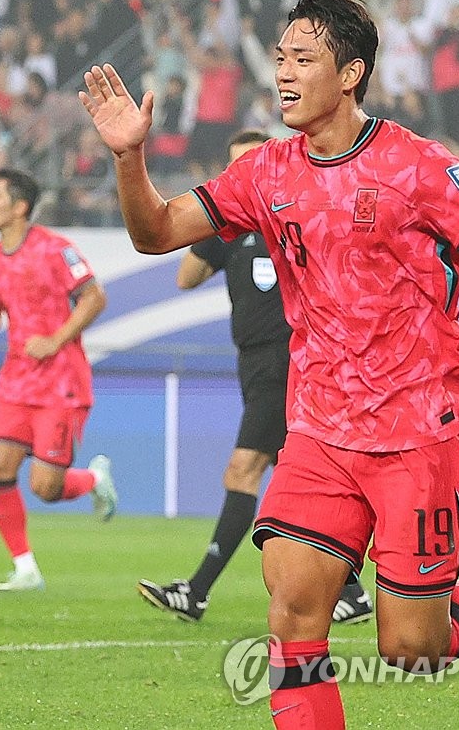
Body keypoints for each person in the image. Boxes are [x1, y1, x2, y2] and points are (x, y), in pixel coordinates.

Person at [81, 0, 459, 729]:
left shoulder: (419, 165)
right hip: (318, 428)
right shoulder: (266, 172)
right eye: (280, 58)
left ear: (350, 73)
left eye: (302, 59)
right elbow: (156, 232)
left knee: (413, 648)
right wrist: (129, 156)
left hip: (419, 426)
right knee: (292, 611)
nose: (283, 72)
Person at [137, 130, 374, 626]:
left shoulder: (296, 219)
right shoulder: (230, 231)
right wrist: (215, 220)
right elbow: (185, 276)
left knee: (243, 470)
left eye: (247, 164)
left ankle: (197, 592)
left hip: (289, 362)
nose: (238, 175)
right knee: (308, 474)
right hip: (256, 366)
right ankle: (350, 592)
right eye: (231, 168)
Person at [0, 168, 116, 592]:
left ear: (19, 207)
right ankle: (25, 568)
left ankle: (93, 480)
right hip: (16, 381)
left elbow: (95, 297)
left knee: (45, 487)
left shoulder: (55, 250)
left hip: (61, 382)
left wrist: (56, 340)